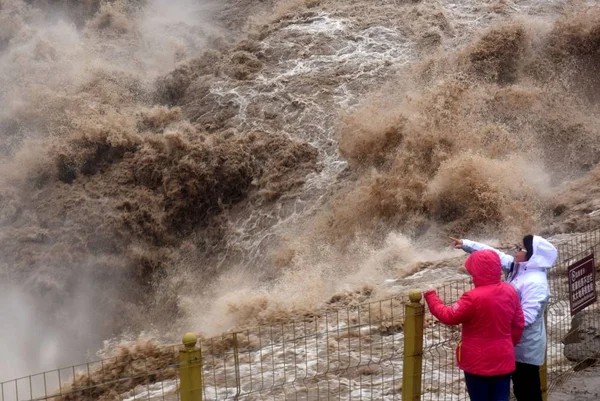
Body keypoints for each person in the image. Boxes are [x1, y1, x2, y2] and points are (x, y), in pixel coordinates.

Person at [449, 235, 558, 401]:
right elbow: (493, 255)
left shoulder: (536, 283)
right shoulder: (519, 267)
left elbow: (527, 318)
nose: (516, 251)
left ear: (533, 255)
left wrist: (493, 319)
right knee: (516, 391)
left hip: (525, 349)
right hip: (509, 344)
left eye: (520, 249)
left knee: (527, 391)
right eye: (517, 246)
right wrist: (466, 244)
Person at [424, 249, 524, 401]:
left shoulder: (473, 297)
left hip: (477, 362)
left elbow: (449, 316)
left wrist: (431, 296)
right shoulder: (510, 291)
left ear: (476, 271)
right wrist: (507, 344)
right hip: (504, 356)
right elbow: (518, 324)